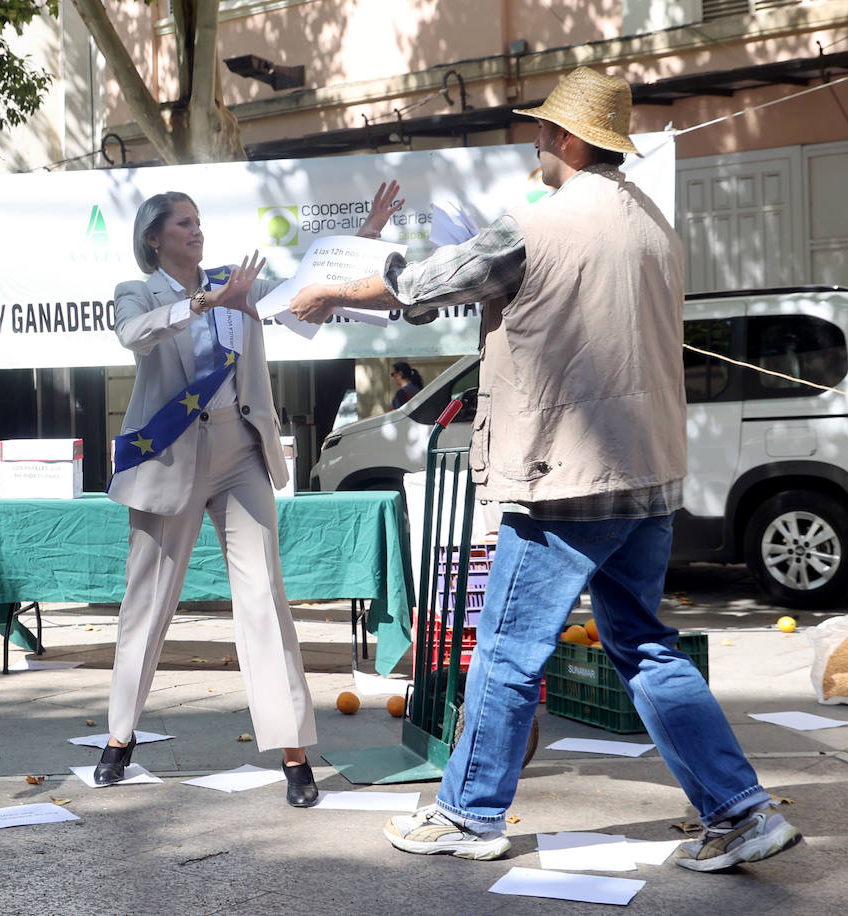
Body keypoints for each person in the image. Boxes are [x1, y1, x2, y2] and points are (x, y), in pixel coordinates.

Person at [289, 67, 801, 870]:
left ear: (568, 139)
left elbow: (420, 285)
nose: (534, 143)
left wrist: (329, 292)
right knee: (646, 647)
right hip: (647, 472)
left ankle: (468, 815)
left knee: (506, 650)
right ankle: (740, 810)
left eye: (541, 131)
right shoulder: (653, 226)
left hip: (563, 476)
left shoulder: (536, 226)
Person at [97, 183, 402, 806]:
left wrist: (365, 238)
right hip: (170, 458)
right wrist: (207, 302)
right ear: (154, 238)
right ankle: (119, 736)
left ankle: (294, 753)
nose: (196, 230)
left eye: (198, 220)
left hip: (241, 452)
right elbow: (134, 334)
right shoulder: (140, 292)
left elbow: (306, 292)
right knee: (148, 604)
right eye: (183, 223)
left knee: (265, 598)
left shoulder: (236, 283)